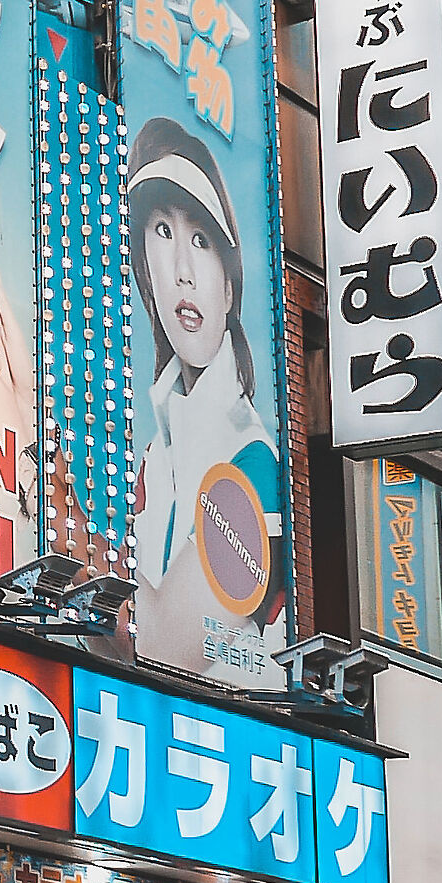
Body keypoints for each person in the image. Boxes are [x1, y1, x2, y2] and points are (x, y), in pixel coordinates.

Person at [127, 116, 286, 688]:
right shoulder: (154, 453)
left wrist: (73, 529)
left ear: (229, 283)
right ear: (144, 266)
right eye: (163, 232)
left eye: (202, 240)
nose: (183, 273)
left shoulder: (256, 463)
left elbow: (167, 643)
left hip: (235, 757)